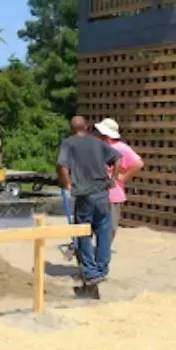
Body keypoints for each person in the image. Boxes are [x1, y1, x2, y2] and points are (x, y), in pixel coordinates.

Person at [57, 115, 121, 286]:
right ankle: (102, 269)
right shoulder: (97, 142)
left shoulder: (68, 143)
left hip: (85, 195)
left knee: (83, 232)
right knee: (103, 232)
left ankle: (90, 272)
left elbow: (62, 165)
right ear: (86, 128)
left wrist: (67, 184)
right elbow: (118, 158)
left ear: (71, 129)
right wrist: (113, 180)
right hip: (102, 194)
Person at [93, 117, 144, 247]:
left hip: (113, 194)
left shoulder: (121, 148)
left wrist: (124, 177)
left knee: (110, 227)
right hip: (95, 192)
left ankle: (102, 251)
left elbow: (138, 164)